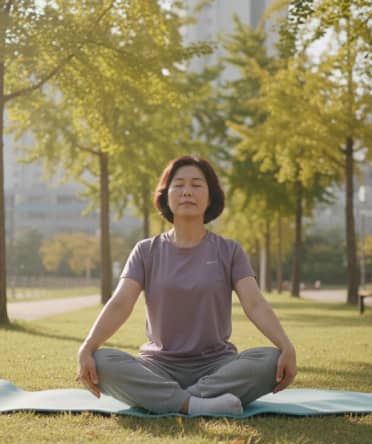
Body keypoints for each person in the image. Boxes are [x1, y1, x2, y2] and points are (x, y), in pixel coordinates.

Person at [76, 156, 297, 415]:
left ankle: (170, 400)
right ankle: (196, 404)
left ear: (210, 196)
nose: (187, 191)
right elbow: (120, 304)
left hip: (217, 366)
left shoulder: (229, 250)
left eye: (196, 185)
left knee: (270, 360)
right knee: (102, 361)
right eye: (178, 185)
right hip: (158, 367)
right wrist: (87, 347)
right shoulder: (146, 251)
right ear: (166, 195)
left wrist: (286, 345)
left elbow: (255, 303)